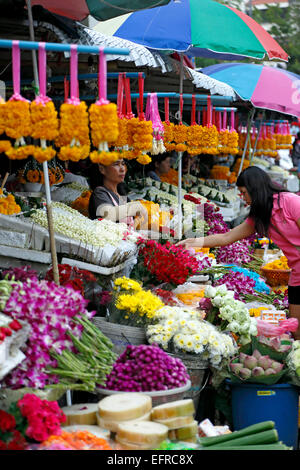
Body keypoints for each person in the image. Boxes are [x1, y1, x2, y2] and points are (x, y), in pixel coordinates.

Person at [177, 166, 300, 339]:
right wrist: (192, 242)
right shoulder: (259, 217)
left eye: (243, 192)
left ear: (254, 189)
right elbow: (226, 237)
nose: (242, 198)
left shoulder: (290, 202)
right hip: (296, 274)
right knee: (296, 328)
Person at [88, 158, 147, 229]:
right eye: (116, 164)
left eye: (123, 164)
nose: (122, 169)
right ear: (102, 169)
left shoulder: (122, 195)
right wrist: (133, 208)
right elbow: (108, 215)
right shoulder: (99, 193)